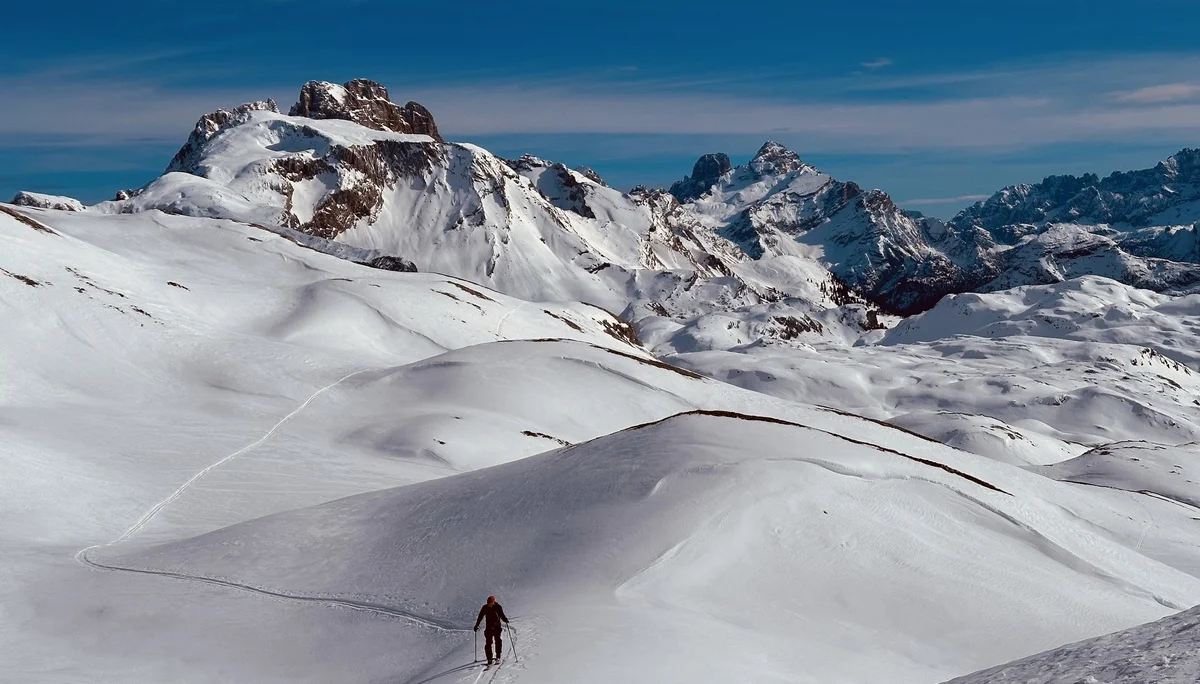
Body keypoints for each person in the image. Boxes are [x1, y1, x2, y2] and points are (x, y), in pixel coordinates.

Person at [473, 595, 510, 665]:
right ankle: (489, 658)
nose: (489, 605)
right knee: (488, 643)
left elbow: (502, 615)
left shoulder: (498, 607)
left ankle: (498, 656)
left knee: (498, 641)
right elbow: (480, 617)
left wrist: (505, 620)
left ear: (493, 602)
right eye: (488, 603)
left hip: (497, 627)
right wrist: (476, 625)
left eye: (490, 603)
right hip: (489, 628)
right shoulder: (485, 607)